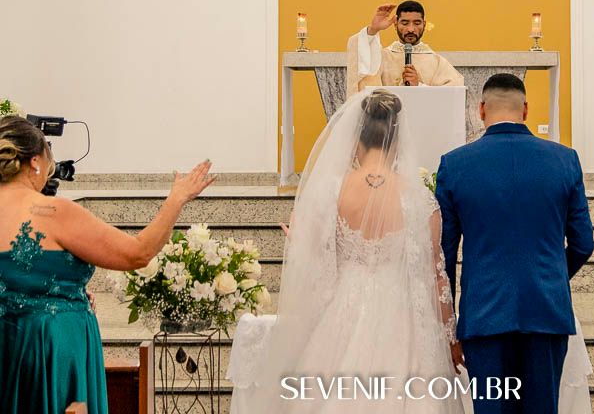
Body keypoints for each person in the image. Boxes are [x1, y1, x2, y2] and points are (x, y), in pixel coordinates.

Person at [265, 89, 465, 412]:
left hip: (341, 314)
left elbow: (315, 265)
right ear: (398, 143)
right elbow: (436, 277)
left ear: (355, 140)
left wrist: (299, 243)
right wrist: (450, 337)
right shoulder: (420, 200)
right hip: (403, 321)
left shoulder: (332, 190)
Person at [0, 115, 215, 414]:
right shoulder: (50, 210)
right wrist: (176, 199)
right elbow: (136, 254)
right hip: (52, 346)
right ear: (35, 162)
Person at [435, 74, 594, 414]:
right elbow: (583, 243)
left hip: (484, 313)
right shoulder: (565, 159)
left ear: (480, 109)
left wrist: (448, 326)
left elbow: (443, 255)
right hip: (546, 309)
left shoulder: (455, 164)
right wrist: (550, 274)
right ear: (525, 109)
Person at [346, 1, 464, 97]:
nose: (411, 29)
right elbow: (362, 66)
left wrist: (419, 87)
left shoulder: (437, 62)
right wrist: (373, 30)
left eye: (417, 23)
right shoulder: (382, 57)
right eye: (405, 23)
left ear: (424, 24)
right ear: (395, 24)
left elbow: (455, 94)